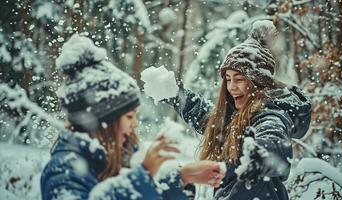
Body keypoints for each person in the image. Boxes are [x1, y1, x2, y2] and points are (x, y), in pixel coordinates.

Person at [40, 34, 225, 200]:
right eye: (129, 117)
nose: (135, 124)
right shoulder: (64, 171)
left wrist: (183, 177)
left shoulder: (119, 155)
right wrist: (143, 175)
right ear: (102, 121)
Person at [163, 20, 312, 199]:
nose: (231, 87)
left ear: (257, 83)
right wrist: (174, 93)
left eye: (239, 79)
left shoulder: (270, 115)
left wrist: (259, 153)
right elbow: (205, 116)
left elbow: (276, 145)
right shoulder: (237, 117)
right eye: (228, 78)